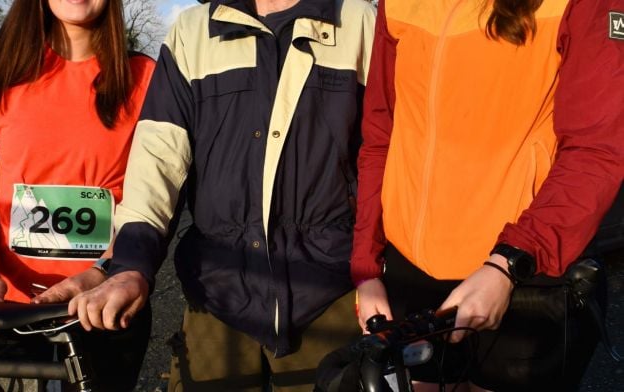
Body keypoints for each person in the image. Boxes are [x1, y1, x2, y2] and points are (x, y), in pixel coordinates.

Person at [62, 0, 377, 390]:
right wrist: (130, 264)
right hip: (216, 296)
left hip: (330, 295)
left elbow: (385, 160)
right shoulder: (192, 32)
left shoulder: (360, 21)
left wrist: (376, 269)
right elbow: (158, 159)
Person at [351, 0, 623, 390]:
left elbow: (597, 152)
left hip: (521, 277)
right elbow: (380, 136)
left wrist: (507, 264)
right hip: (412, 274)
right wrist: (367, 268)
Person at [0, 0, 155, 390]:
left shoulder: (146, 78)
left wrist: (107, 272)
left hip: (104, 305)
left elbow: (156, 196)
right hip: (6, 308)